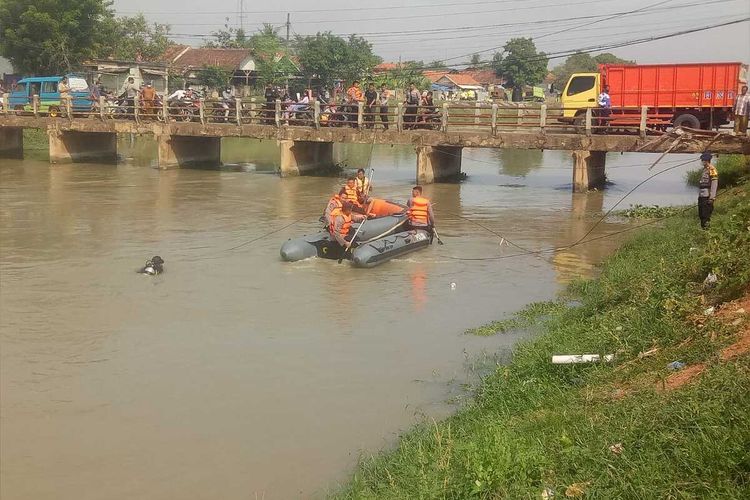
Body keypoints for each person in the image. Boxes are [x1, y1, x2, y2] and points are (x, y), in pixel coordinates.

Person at [697, 152, 718, 229]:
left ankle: (706, 232)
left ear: (707, 160)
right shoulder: (704, 170)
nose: (702, 162)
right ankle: (703, 230)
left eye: (703, 160)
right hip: (701, 196)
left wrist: (712, 197)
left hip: (707, 196)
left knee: (706, 215)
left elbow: (714, 183)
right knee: (701, 214)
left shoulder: (712, 169)